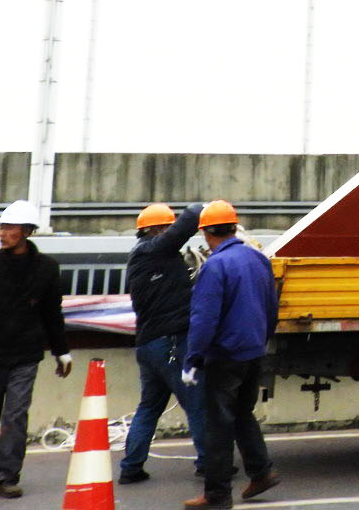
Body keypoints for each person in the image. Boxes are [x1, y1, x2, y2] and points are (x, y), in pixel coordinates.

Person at [0, 200, 72, 499]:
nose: (2, 233)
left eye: (9, 228)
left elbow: (52, 314)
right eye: (2, 227)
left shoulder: (46, 269)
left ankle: (7, 476)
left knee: (15, 416)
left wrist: (61, 351)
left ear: (27, 232)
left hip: (24, 355)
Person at [182, 201, 280, 509]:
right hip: (254, 350)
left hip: (225, 355)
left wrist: (193, 358)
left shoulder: (215, 266)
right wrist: (261, 339)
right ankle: (261, 472)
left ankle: (217, 495)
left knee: (218, 425)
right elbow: (271, 307)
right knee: (241, 414)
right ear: (234, 228)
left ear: (206, 233)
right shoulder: (257, 259)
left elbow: (204, 317)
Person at [119, 202, 206, 486]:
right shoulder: (155, 249)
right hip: (171, 342)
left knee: (149, 407)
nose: (170, 230)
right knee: (196, 402)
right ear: (156, 229)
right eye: (166, 226)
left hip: (148, 343)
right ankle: (209, 464)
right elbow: (189, 221)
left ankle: (131, 467)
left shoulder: (140, 257)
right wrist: (205, 208)